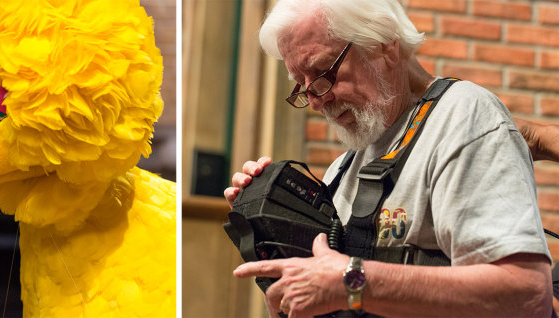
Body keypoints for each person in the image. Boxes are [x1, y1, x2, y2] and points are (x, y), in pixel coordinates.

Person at [223, 0, 553, 317]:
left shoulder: (465, 117)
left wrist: (353, 281)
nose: (316, 102)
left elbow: (525, 295)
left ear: (383, 43)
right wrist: (275, 248)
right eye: (302, 86)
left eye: (323, 72)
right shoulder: (343, 168)